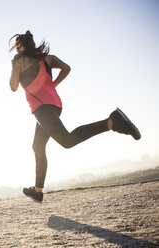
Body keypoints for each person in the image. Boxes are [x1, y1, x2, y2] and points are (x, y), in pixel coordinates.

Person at [8, 31, 141, 203]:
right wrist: (53, 84)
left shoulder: (18, 60)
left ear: (20, 47)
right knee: (38, 146)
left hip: (41, 108)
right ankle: (38, 191)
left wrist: (14, 66)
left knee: (67, 141)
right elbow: (67, 68)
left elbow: (13, 86)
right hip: (55, 104)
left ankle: (111, 122)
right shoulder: (48, 58)